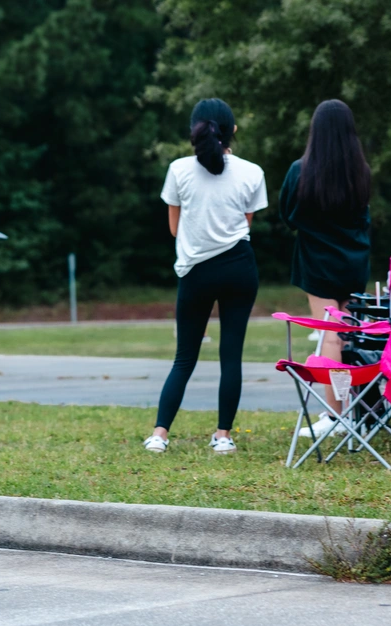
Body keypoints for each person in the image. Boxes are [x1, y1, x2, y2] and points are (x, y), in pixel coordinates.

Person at [143, 99, 266, 456]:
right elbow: (245, 226)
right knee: (231, 355)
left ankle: (160, 435)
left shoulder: (178, 170)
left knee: (185, 357)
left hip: (196, 271)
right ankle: (223, 436)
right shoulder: (252, 172)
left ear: (194, 131)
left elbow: (173, 228)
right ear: (233, 132)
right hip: (240, 269)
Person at [280, 99, 372, 437]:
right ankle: (350, 411)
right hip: (353, 263)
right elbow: (364, 218)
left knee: (329, 335)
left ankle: (336, 417)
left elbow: (288, 215)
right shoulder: (360, 171)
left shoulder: (300, 171)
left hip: (318, 264)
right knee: (347, 338)